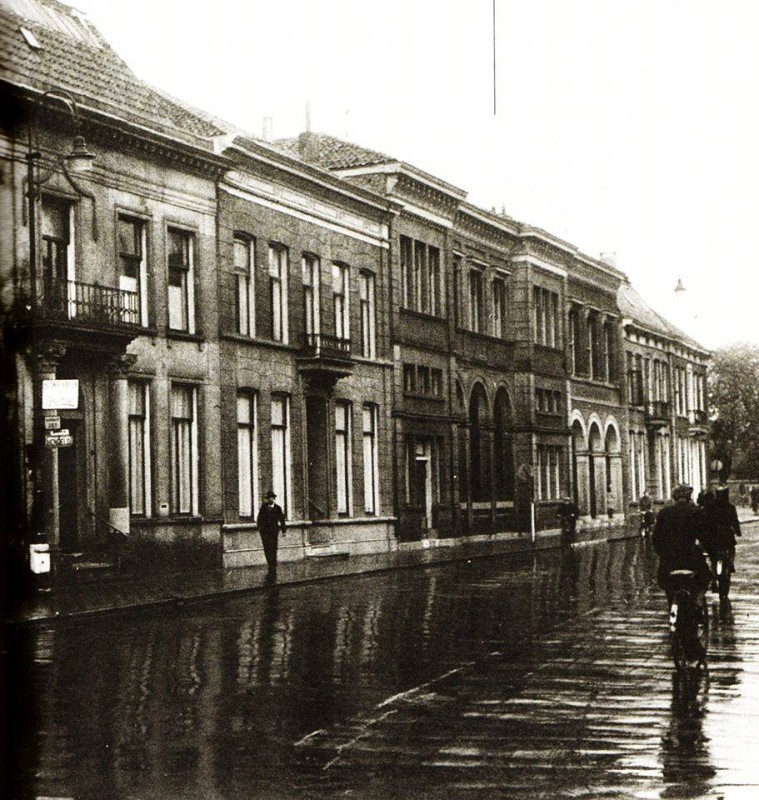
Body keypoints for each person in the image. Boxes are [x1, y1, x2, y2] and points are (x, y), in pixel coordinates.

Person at [652, 484, 712, 602]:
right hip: (691, 558)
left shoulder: (664, 513)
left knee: (666, 582)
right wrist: (708, 549)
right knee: (705, 578)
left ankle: (672, 606)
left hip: (670, 559)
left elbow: (656, 538)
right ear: (689, 496)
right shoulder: (696, 512)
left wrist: (662, 553)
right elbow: (705, 536)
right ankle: (698, 602)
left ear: (674, 497)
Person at [701, 485, 741, 580]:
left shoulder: (709, 507)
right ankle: (730, 564)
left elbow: (704, 521)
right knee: (731, 550)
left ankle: (714, 572)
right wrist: (738, 532)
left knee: (711, 553)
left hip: (713, 537)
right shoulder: (730, 507)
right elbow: (735, 522)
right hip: (726, 536)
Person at [256, 490, 286, 579]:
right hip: (265, 533)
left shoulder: (277, 508)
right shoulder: (264, 507)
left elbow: (282, 519)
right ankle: (270, 564)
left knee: (273, 548)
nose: (270, 499)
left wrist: (284, 530)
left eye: (271, 498)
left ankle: (273, 566)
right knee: (267, 548)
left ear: (274, 498)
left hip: (274, 532)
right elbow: (259, 519)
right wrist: (260, 528)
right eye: (268, 498)